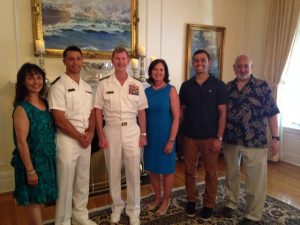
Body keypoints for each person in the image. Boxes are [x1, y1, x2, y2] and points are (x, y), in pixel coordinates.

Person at [222, 55, 280, 225]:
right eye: (239, 66)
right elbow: (222, 113)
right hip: (231, 139)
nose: (242, 69)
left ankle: (253, 215)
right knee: (231, 175)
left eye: (245, 66)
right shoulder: (228, 88)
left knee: (255, 179)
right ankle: (230, 203)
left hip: (256, 140)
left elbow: (272, 113)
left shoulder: (262, 87)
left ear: (251, 67)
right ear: (234, 68)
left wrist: (275, 138)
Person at [94, 46, 148, 225]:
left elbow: (141, 112)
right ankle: (117, 206)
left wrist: (143, 133)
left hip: (132, 130)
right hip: (111, 130)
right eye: (117, 59)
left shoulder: (136, 84)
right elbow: (98, 111)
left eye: (124, 59)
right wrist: (100, 135)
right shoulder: (104, 84)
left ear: (127, 60)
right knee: (114, 170)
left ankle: (134, 210)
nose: (121, 62)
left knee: (134, 172)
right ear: (112, 60)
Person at [48, 46, 96, 225]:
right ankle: (63, 221)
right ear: (64, 61)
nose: (75, 62)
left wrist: (91, 133)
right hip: (68, 140)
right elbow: (59, 119)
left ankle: (80, 215)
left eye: (78, 58)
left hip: (85, 140)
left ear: (82, 61)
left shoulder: (87, 87)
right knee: (66, 184)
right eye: (71, 59)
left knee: (83, 181)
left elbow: (92, 114)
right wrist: (79, 136)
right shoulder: (58, 86)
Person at [179, 49, 227, 220]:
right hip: (190, 137)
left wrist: (219, 138)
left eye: (203, 60)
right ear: (193, 63)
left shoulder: (219, 85)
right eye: (196, 60)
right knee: (189, 171)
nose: (199, 63)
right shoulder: (186, 86)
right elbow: (182, 111)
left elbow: (222, 113)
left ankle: (209, 205)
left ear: (209, 62)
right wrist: (179, 135)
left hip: (210, 138)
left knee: (211, 173)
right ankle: (191, 200)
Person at [11, 63, 57, 225]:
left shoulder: (46, 102)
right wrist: (30, 170)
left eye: (39, 77)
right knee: (34, 200)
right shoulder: (22, 109)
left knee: (46, 196)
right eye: (31, 78)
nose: (36, 81)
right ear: (23, 82)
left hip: (48, 158)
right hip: (32, 161)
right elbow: (21, 142)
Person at [143, 59, 180, 216]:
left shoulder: (171, 90)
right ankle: (157, 198)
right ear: (151, 72)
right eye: (155, 69)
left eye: (161, 70)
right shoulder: (146, 92)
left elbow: (177, 117)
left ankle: (166, 200)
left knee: (166, 171)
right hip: (150, 137)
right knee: (152, 170)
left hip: (166, 136)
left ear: (165, 73)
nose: (158, 72)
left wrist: (171, 140)